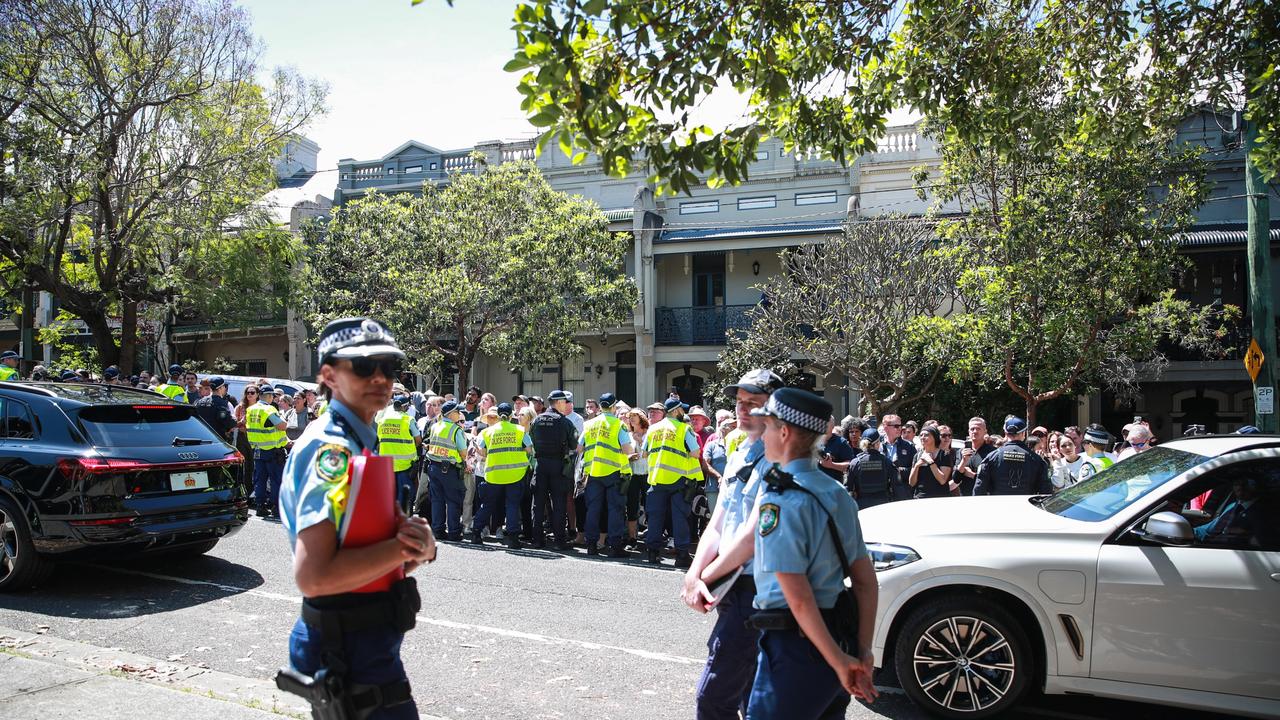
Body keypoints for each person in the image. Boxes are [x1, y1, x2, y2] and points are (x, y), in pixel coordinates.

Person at [277, 316, 435, 720]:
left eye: (389, 366)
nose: (380, 377)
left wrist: (414, 548)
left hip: (362, 635)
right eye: (364, 367)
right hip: (348, 643)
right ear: (328, 375)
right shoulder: (332, 451)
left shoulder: (356, 438)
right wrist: (403, 547)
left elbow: (365, 545)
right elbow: (314, 576)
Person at [710, 388, 878, 718]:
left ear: (784, 433)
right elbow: (865, 582)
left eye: (768, 427)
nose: (764, 435)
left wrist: (838, 660)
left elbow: (798, 597)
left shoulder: (779, 500)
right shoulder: (836, 492)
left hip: (796, 648)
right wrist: (861, 651)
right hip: (838, 635)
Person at [683, 369, 782, 720]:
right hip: (733, 586)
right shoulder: (741, 454)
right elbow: (718, 523)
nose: (743, 409)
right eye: (740, 402)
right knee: (749, 693)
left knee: (714, 698)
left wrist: (706, 576)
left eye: (753, 403)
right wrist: (694, 573)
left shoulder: (782, 462)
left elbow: (755, 535)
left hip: (759, 590)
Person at [643, 397, 702, 567]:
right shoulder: (684, 428)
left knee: (655, 517)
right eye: (681, 410)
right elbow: (696, 452)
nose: (683, 412)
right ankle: (682, 555)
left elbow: (645, 453)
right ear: (676, 411)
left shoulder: (653, 429)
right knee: (679, 518)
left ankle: (652, 554)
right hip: (678, 480)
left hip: (656, 479)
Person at [578, 392, 633, 557]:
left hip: (593, 472)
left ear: (600, 406)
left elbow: (579, 448)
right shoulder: (618, 425)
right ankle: (615, 547)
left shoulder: (589, 424)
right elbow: (627, 449)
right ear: (614, 406)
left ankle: (591, 546)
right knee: (615, 509)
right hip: (613, 472)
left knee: (593, 509)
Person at [470, 402, 532, 549]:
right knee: (512, 505)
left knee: (488, 505)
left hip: (493, 474)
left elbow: (482, 452)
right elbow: (529, 450)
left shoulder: (487, 432)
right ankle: (513, 539)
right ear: (512, 416)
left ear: (497, 416)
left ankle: (476, 532)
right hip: (515, 474)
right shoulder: (520, 430)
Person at [529, 389, 578, 549]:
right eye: (565, 402)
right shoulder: (564, 422)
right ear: (558, 403)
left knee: (538, 504)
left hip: (541, 465)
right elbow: (573, 445)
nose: (567, 405)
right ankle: (559, 541)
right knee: (559, 504)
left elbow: (532, 442)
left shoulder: (536, 420)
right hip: (558, 466)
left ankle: (537, 539)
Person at [972, 417, 1052, 496]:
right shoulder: (1037, 460)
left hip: (998, 506)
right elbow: (1045, 492)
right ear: (1023, 433)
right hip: (1026, 507)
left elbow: (979, 489)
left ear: (1006, 433)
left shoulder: (992, 457)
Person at [423, 400, 468, 539]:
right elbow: (463, 452)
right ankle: (454, 532)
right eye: (457, 412)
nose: (459, 414)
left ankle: (438, 530)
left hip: (433, 467)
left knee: (437, 500)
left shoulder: (435, 426)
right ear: (451, 414)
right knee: (453, 501)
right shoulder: (455, 430)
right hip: (449, 470)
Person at [247, 383, 289, 518]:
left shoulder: (251, 409)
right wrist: (283, 418)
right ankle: (276, 508)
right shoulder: (268, 409)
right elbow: (282, 426)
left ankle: (260, 506)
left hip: (257, 450)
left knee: (260, 479)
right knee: (276, 479)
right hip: (272, 451)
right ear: (270, 396)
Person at [378, 395, 423, 514]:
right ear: (406, 406)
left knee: (389, 496)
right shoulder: (408, 420)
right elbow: (418, 440)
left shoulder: (382, 420)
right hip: (405, 465)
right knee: (405, 496)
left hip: (386, 465)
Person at [846, 428, 892, 509]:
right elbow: (896, 486)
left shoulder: (855, 463)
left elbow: (848, 488)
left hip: (862, 506)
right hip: (883, 505)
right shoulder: (886, 461)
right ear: (877, 443)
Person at [624, 408, 650, 548]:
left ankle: (651, 538)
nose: (632, 419)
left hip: (647, 474)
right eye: (630, 417)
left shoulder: (649, 433)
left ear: (642, 418)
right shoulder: (627, 435)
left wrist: (640, 441)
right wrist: (628, 457)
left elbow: (650, 453)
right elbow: (624, 453)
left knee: (650, 507)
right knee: (632, 506)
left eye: (635, 416)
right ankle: (632, 538)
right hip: (633, 474)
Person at [909, 426, 953, 498]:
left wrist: (931, 462)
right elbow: (911, 483)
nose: (923, 437)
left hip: (939, 498)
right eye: (921, 435)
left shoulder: (944, 455)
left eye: (926, 435)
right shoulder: (917, 455)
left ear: (935, 437)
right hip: (920, 497)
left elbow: (942, 480)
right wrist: (917, 466)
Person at [880, 414, 916, 501]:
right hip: (881, 493)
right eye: (896, 426)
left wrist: (899, 470)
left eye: (900, 426)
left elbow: (915, 470)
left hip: (902, 493)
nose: (900, 429)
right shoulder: (877, 445)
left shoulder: (909, 446)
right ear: (886, 428)